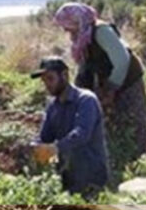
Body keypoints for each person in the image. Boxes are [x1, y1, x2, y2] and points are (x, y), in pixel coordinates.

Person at [54, 3, 146, 168]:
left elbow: (122, 60)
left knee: (134, 119)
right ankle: (119, 159)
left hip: (127, 79)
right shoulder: (83, 37)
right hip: (110, 80)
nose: (66, 31)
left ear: (78, 21)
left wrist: (111, 88)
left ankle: (139, 161)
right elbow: (85, 68)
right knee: (111, 121)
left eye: (68, 26)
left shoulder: (101, 32)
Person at [31, 57, 110, 199]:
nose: (47, 85)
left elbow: (82, 134)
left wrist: (55, 148)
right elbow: (45, 137)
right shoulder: (53, 106)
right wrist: (36, 147)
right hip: (67, 175)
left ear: (65, 75)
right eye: (44, 81)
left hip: (91, 174)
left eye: (50, 79)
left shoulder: (86, 100)